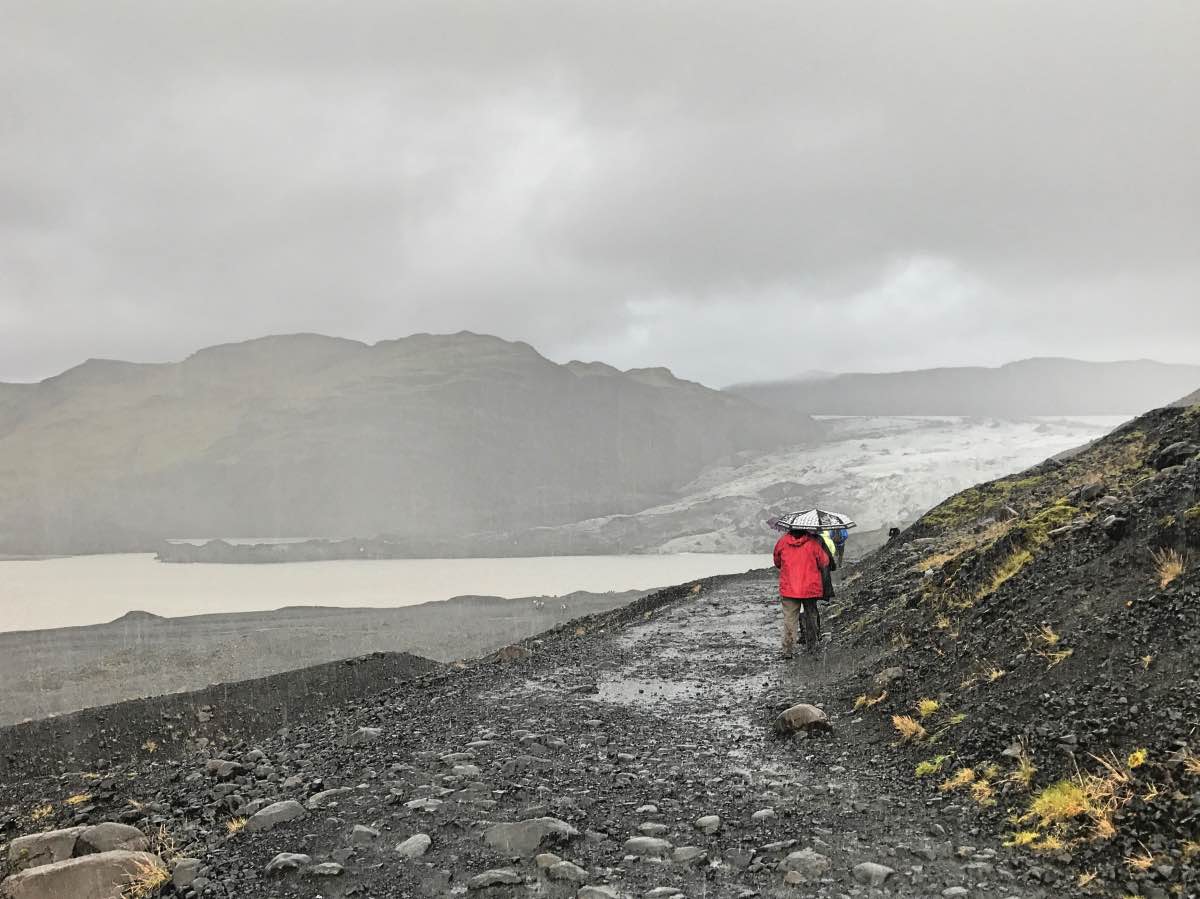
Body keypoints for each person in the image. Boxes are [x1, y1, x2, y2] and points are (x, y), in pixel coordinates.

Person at [773, 527, 834, 657]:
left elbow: (777, 562)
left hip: (789, 587)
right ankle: (812, 647)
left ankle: (788, 650)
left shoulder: (782, 542)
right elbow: (824, 561)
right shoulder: (813, 542)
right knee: (811, 616)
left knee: (790, 619)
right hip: (810, 587)